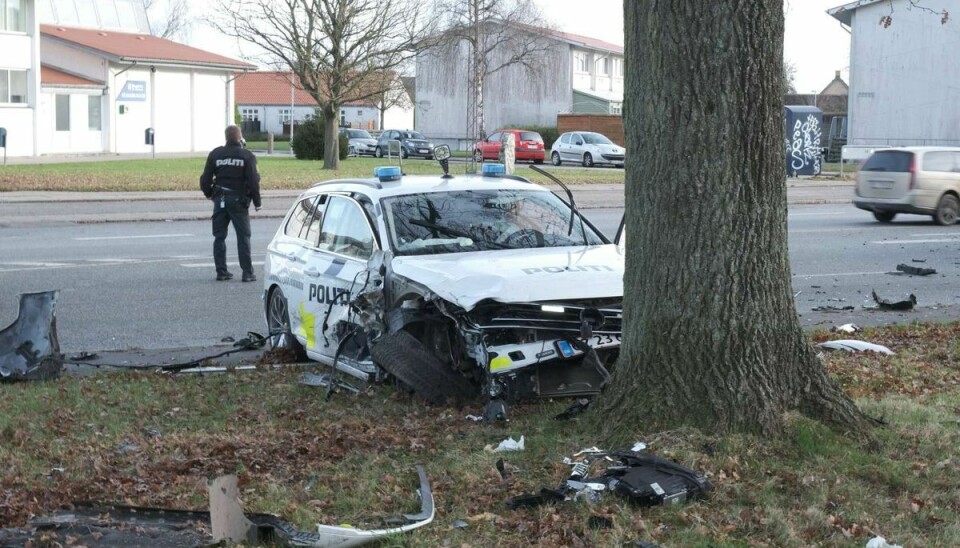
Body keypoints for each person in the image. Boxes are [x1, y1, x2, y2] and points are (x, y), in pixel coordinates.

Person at [200, 125, 262, 282]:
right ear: (240, 137)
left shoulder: (215, 154)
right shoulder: (247, 156)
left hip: (220, 199)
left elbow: (205, 179)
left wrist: (210, 194)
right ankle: (247, 273)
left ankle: (221, 272)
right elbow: (254, 181)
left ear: (226, 137)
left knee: (219, 237)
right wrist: (257, 202)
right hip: (238, 202)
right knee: (243, 237)